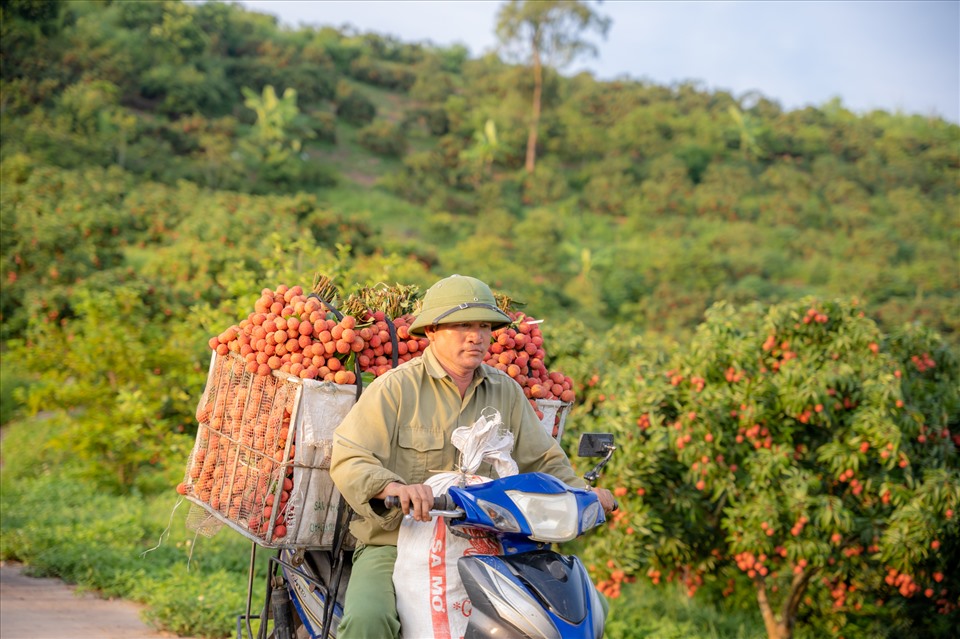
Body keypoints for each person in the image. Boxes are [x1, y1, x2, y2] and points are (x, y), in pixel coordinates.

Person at [329, 273, 617, 639]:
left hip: (492, 540)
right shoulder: (397, 388)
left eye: (484, 326)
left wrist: (582, 494)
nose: (476, 336)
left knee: (586, 610)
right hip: (396, 540)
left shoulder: (506, 390)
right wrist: (394, 487)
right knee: (369, 620)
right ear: (431, 331)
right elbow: (350, 455)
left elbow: (544, 460)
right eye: (462, 325)